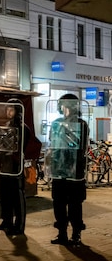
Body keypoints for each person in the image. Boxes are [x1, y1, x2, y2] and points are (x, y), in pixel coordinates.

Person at [48, 94, 89, 245]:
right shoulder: (56, 123)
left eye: (67, 105)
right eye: (64, 105)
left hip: (75, 171)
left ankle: (76, 233)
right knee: (58, 203)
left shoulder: (81, 124)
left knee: (74, 204)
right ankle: (62, 233)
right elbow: (52, 143)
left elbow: (81, 146)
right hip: (59, 170)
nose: (65, 108)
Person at [0, 99, 31, 235]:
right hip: (4, 166)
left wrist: (10, 152)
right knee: (5, 195)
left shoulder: (22, 127)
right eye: (7, 109)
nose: (9, 112)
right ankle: (6, 221)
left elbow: (20, 147)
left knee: (17, 196)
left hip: (15, 166)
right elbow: (1, 143)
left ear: (17, 111)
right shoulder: (7, 126)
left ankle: (19, 224)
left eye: (12, 109)